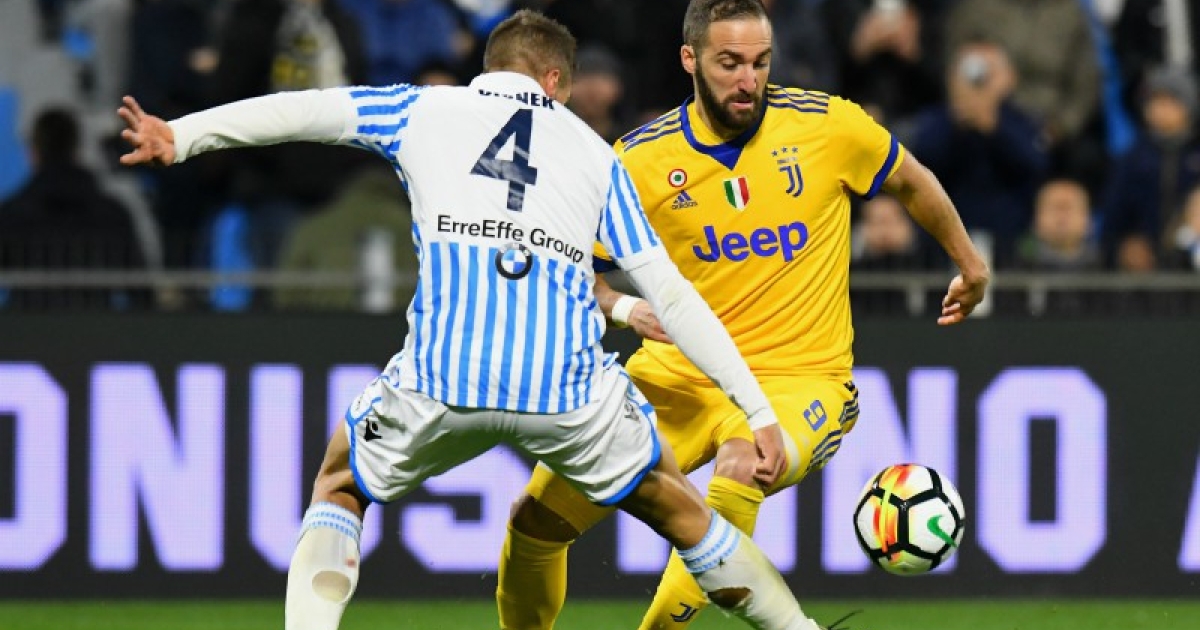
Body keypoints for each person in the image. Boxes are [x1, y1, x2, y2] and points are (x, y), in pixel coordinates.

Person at [117, 9, 825, 630]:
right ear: (556, 81)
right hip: (566, 391)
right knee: (682, 511)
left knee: (339, 484)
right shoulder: (594, 154)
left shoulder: (422, 109)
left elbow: (304, 111)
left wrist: (183, 135)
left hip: (443, 378)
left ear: (490, 69)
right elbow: (672, 294)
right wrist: (757, 408)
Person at [495, 2, 990, 629]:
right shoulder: (637, 161)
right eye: (729, 63)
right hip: (675, 377)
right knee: (534, 522)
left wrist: (970, 265)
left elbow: (911, 180)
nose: (747, 80)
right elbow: (567, 267)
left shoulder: (828, 126)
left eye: (759, 62)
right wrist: (620, 305)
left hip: (797, 382)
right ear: (690, 59)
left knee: (742, 464)